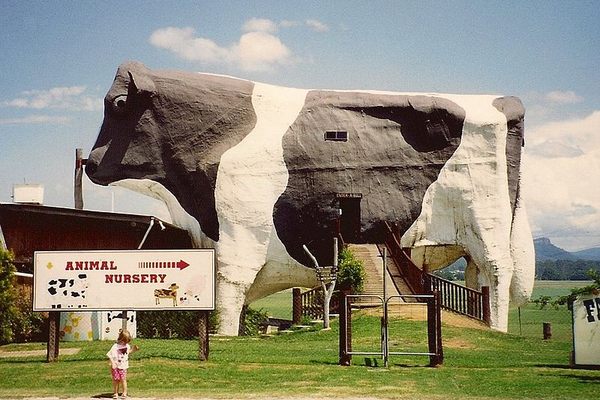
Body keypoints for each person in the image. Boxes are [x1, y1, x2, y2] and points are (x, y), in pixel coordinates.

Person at [106, 329, 139, 399]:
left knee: (123, 379)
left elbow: (127, 352)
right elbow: (109, 355)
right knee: (116, 380)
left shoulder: (127, 345)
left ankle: (124, 393)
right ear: (121, 339)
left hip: (123, 366)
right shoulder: (115, 346)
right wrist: (113, 363)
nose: (126, 343)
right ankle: (115, 393)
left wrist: (133, 350)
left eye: (127, 342)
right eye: (125, 341)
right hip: (115, 366)